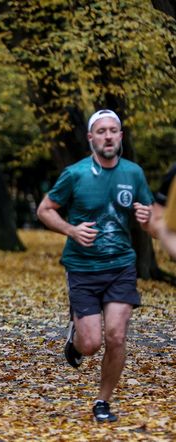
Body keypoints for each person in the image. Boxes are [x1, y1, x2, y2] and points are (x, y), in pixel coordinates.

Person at [36, 109, 154, 423]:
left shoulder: (133, 173)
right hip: (82, 267)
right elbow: (45, 209)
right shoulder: (75, 174)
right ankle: (76, 338)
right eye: (101, 131)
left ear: (120, 136)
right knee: (90, 345)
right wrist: (71, 230)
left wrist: (148, 221)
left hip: (121, 266)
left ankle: (102, 402)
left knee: (116, 336)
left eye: (113, 130)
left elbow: (151, 220)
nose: (108, 136)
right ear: (91, 137)